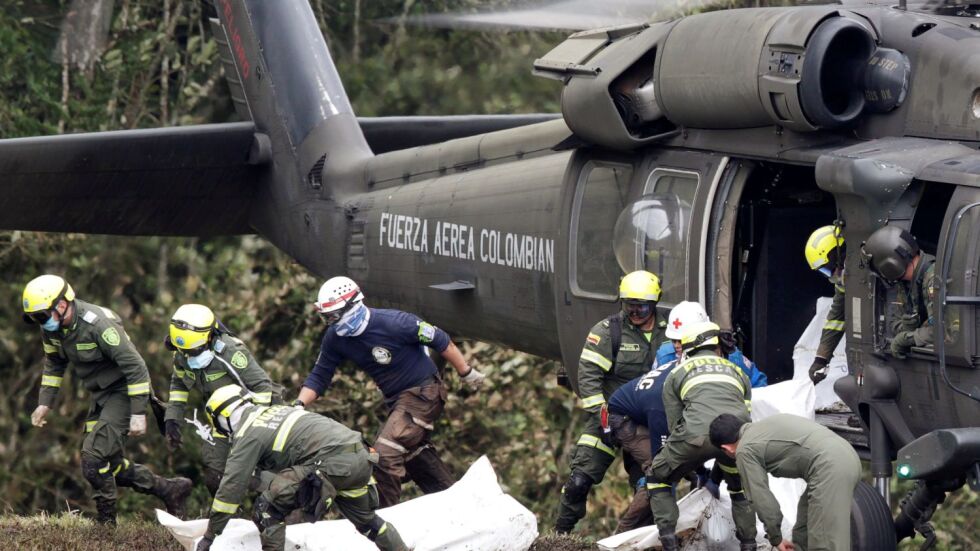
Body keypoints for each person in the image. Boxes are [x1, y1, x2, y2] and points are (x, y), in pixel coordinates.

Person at [293, 276, 485, 507]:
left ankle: (385, 521)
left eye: (334, 315)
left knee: (385, 454)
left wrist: (466, 372)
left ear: (353, 305)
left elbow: (441, 339)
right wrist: (299, 405)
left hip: (424, 392)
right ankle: (459, 506)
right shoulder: (335, 338)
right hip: (397, 402)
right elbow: (320, 375)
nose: (331, 322)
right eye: (327, 317)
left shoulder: (396, 322)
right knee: (414, 455)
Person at [23, 274, 191, 525]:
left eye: (42, 316)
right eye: (35, 318)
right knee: (109, 465)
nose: (40, 323)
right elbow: (54, 363)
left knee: (93, 457)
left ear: (61, 305)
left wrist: (137, 413)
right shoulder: (54, 329)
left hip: (125, 392)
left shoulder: (98, 325)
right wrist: (44, 403)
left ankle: (106, 524)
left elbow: (137, 369)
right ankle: (168, 489)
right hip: (102, 395)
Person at [196, 385, 406, 551]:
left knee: (267, 509)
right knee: (369, 523)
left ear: (222, 418)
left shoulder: (248, 434)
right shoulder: (277, 410)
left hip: (332, 465)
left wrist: (209, 537)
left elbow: (229, 491)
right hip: (361, 457)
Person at [554, 270, 667, 534]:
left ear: (655, 303)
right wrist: (603, 416)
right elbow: (588, 377)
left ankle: (640, 539)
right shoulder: (608, 332)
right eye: (630, 305)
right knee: (578, 481)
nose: (635, 312)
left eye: (642, 306)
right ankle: (559, 535)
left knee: (650, 485)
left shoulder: (670, 331)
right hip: (607, 419)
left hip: (648, 422)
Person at [646, 320, 757, 551]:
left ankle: (670, 544)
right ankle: (749, 544)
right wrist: (724, 465)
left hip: (692, 439)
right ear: (715, 346)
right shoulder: (738, 372)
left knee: (657, 477)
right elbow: (743, 419)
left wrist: (693, 463)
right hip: (735, 441)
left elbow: (676, 425)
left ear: (689, 348)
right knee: (739, 488)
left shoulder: (677, 373)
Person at [163, 303, 284, 494]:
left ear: (208, 337)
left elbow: (262, 387)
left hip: (260, 415)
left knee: (255, 474)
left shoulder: (231, 352)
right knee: (215, 476)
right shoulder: (182, 353)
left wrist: (251, 431)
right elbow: (179, 384)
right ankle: (230, 521)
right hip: (223, 420)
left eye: (193, 351)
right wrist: (172, 418)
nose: (188, 356)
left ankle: (288, 503)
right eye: (183, 351)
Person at [709, 413, 861, 551]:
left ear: (726, 448)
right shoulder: (762, 427)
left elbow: (761, 499)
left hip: (829, 466)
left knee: (823, 543)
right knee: (804, 531)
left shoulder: (744, 450)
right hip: (847, 455)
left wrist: (776, 538)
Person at [862, 225, 936, 358]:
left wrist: (909, 338)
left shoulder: (933, 279)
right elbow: (895, 323)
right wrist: (906, 328)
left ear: (891, 265)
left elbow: (945, 331)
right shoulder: (906, 284)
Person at [654, 301, 767, 387]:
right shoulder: (665, 356)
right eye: (674, 340)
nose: (677, 345)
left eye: (682, 340)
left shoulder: (729, 355)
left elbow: (758, 384)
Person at [804, 225, 846, 384]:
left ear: (837, 256)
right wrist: (821, 359)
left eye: (829, 269)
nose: (832, 276)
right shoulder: (844, 282)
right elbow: (836, 319)